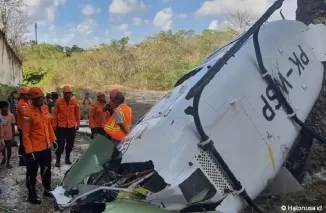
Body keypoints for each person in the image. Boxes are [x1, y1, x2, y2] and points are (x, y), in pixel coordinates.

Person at [23, 87, 56, 204]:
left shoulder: (45, 108)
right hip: (34, 149)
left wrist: (53, 140)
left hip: (45, 147)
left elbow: (49, 126)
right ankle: (31, 195)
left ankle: (47, 190)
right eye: (40, 98)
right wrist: (29, 151)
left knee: (47, 170)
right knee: (32, 173)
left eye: (42, 97)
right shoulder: (27, 113)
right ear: (33, 99)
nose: (42, 100)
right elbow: (25, 134)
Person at [52, 86, 80, 167]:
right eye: (66, 93)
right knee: (60, 145)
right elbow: (55, 114)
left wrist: (78, 124)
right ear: (63, 94)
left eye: (69, 93)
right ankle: (58, 160)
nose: (68, 95)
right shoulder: (59, 101)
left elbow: (77, 114)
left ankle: (67, 158)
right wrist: (54, 125)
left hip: (71, 127)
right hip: (61, 127)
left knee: (70, 144)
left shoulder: (75, 102)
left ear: (71, 94)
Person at [17, 86, 30, 166]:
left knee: (24, 143)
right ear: (22, 95)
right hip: (23, 127)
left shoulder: (26, 102)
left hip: (25, 127)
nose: (28, 96)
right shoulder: (22, 104)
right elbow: (26, 116)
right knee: (23, 144)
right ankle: (22, 160)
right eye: (27, 94)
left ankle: (24, 159)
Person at [0, 101, 16, 168]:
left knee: (9, 149)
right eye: (4, 107)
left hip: (9, 136)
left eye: (6, 107)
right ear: (1, 108)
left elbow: (13, 126)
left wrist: (13, 136)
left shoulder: (11, 115)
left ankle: (8, 162)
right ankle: (4, 158)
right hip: (1, 136)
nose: (6, 109)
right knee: (2, 149)